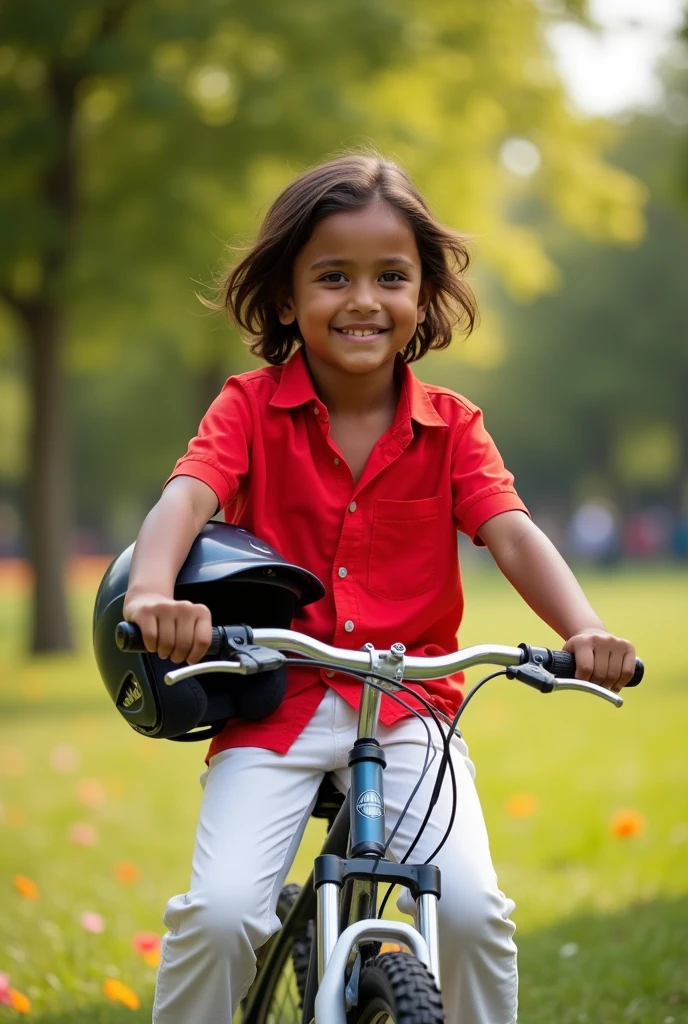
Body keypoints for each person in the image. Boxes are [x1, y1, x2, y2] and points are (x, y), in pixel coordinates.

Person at [123, 152, 637, 1024]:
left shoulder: (453, 428)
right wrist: (150, 591)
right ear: (288, 299)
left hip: (412, 712)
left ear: (422, 297)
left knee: (474, 915)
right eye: (333, 277)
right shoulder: (247, 408)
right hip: (272, 704)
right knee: (219, 918)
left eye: (390, 277)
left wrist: (585, 630)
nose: (363, 299)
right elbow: (190, 493)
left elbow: (511, 532)